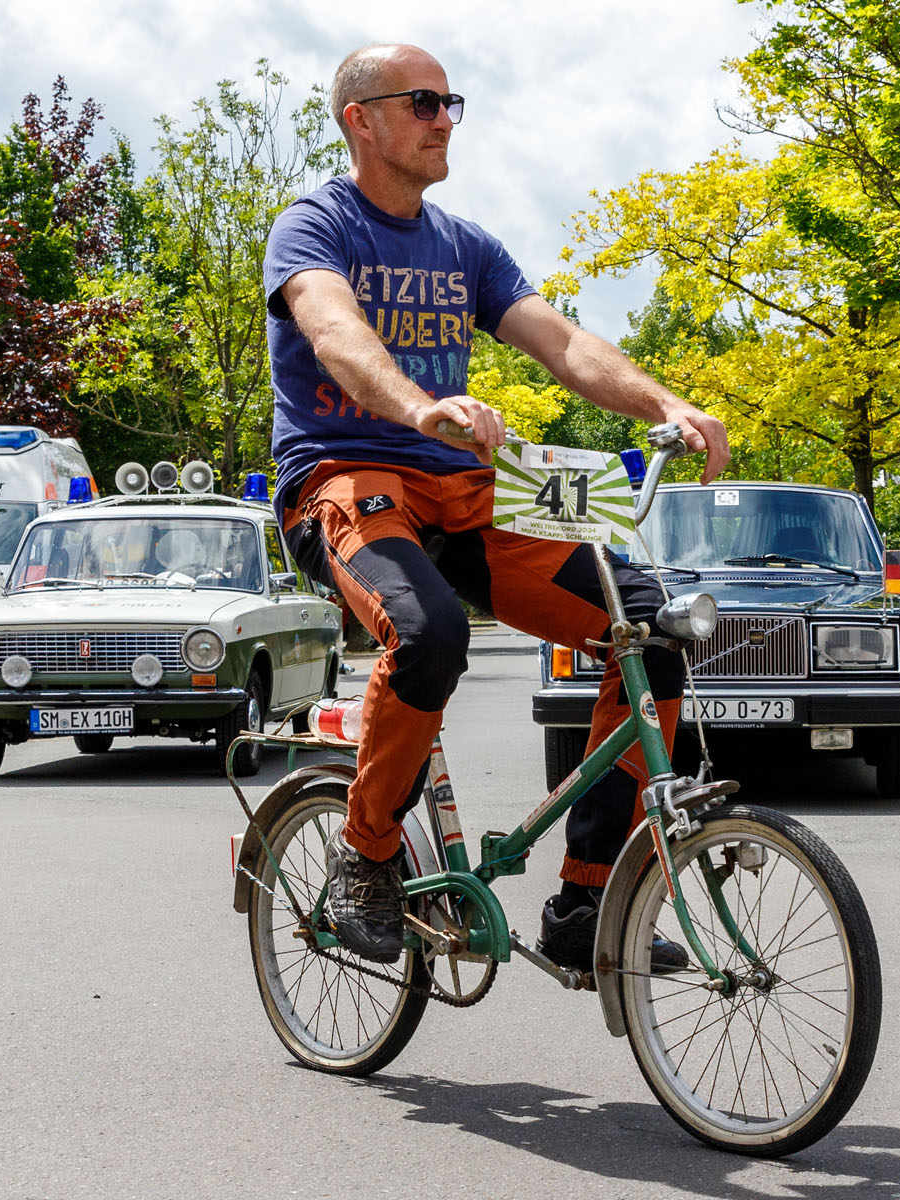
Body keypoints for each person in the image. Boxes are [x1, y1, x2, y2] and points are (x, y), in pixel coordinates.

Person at [264, 43, 730, 971]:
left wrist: (665, 402)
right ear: (362, 119)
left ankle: (586, 903)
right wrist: (417, 406)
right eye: (425, 102)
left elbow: (560, 341)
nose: (446, 119)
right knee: (430, 634)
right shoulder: (314, 227)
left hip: (466, 499)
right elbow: (332, 328)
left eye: (452, 103)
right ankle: (365, 857)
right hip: (348, 484)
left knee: (651, 633)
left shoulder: (464, 246)